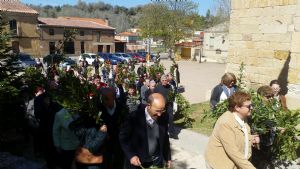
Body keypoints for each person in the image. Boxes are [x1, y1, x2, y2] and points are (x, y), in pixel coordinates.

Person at [204, 91, 259, 169]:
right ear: (237, 108)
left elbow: (240, 134)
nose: (252, 108)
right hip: (220, 165)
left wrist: (250, 138)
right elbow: (233, 152)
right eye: (249, 106)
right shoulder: (226, 123)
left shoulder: (242, 117)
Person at [119, 93, 172, 169]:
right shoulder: (134, 117)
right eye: (157, 111)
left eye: (162, 110)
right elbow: (123, 138)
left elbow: (165, 138)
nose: (160, 114)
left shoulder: (164, 117)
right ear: (149, 105)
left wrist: (168, 157)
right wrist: (131, 155)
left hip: (156, 162)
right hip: (137, 163)